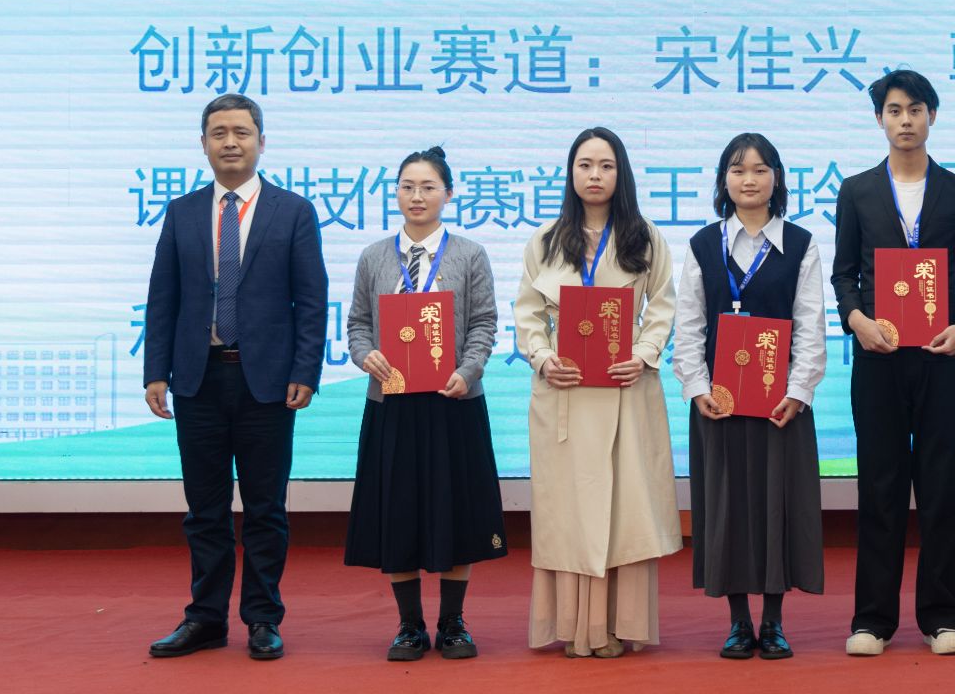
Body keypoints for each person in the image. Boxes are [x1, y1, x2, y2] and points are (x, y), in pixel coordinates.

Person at [142, 93, 327, 661]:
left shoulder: (293, 211)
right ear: (202, 144)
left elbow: (311, 300)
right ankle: (205, 618)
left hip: (266, 383)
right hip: (197, 380)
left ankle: (263, 618)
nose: (230, 142)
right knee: (205, 510)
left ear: (261, 142)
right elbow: (163, 298)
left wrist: (306, 370)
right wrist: (155, 372)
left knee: (266, 509)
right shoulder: (181, 212)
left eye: (241, 132)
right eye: (218, 133)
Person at [831, 70, 955, 657]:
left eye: (915, 109)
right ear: (880, 119)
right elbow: (843, 275)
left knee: (941, 488)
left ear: (932, 116)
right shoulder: (857, 191)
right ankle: (872, 619)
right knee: (880, 487)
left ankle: (942, 617)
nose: (905, 120)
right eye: (894, 110)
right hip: (877, 359)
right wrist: (858, 320)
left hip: (941, 357)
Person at [514, 127, 682, 658]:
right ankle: (576, 627)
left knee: (624, 507)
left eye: (606, 166)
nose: (594, 175)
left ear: (621, 173)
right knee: (570, 509)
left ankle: (618, 624)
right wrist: (543, 358)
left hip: (624, 384)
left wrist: (644, 353)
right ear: (570, 173)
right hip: (565, 389)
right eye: (584, 165)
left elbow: (663, 306)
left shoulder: (645, 237)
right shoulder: (545, 240)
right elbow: (527, 314)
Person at [343, 147, 508, 661]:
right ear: (395, 193)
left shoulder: (469, 254)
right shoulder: (374, 256)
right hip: (391, 402)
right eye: (407, 186)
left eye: (428, 187)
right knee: (398, 511)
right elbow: (357, 324)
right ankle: (409, 626)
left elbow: (484, 323)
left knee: (457, 509)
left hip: (453, 401)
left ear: (448, 194)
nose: (417, 196)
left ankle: (453, 623)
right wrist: (365, 354)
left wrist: (468, 370)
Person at [673, 133, 827, 660]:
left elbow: (810, 324)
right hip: (719, 405)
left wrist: (798, 391)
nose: (749, 179)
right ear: (724, 181)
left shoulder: (801, 245)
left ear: (776, 179)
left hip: (780, 406)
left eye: (761, 170)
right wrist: (697, 389)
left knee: (777, 505)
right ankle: (739, 622)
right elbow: (688, 325)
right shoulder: (702, 245)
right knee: (728, 508)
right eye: (738, 170)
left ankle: (774, 622)